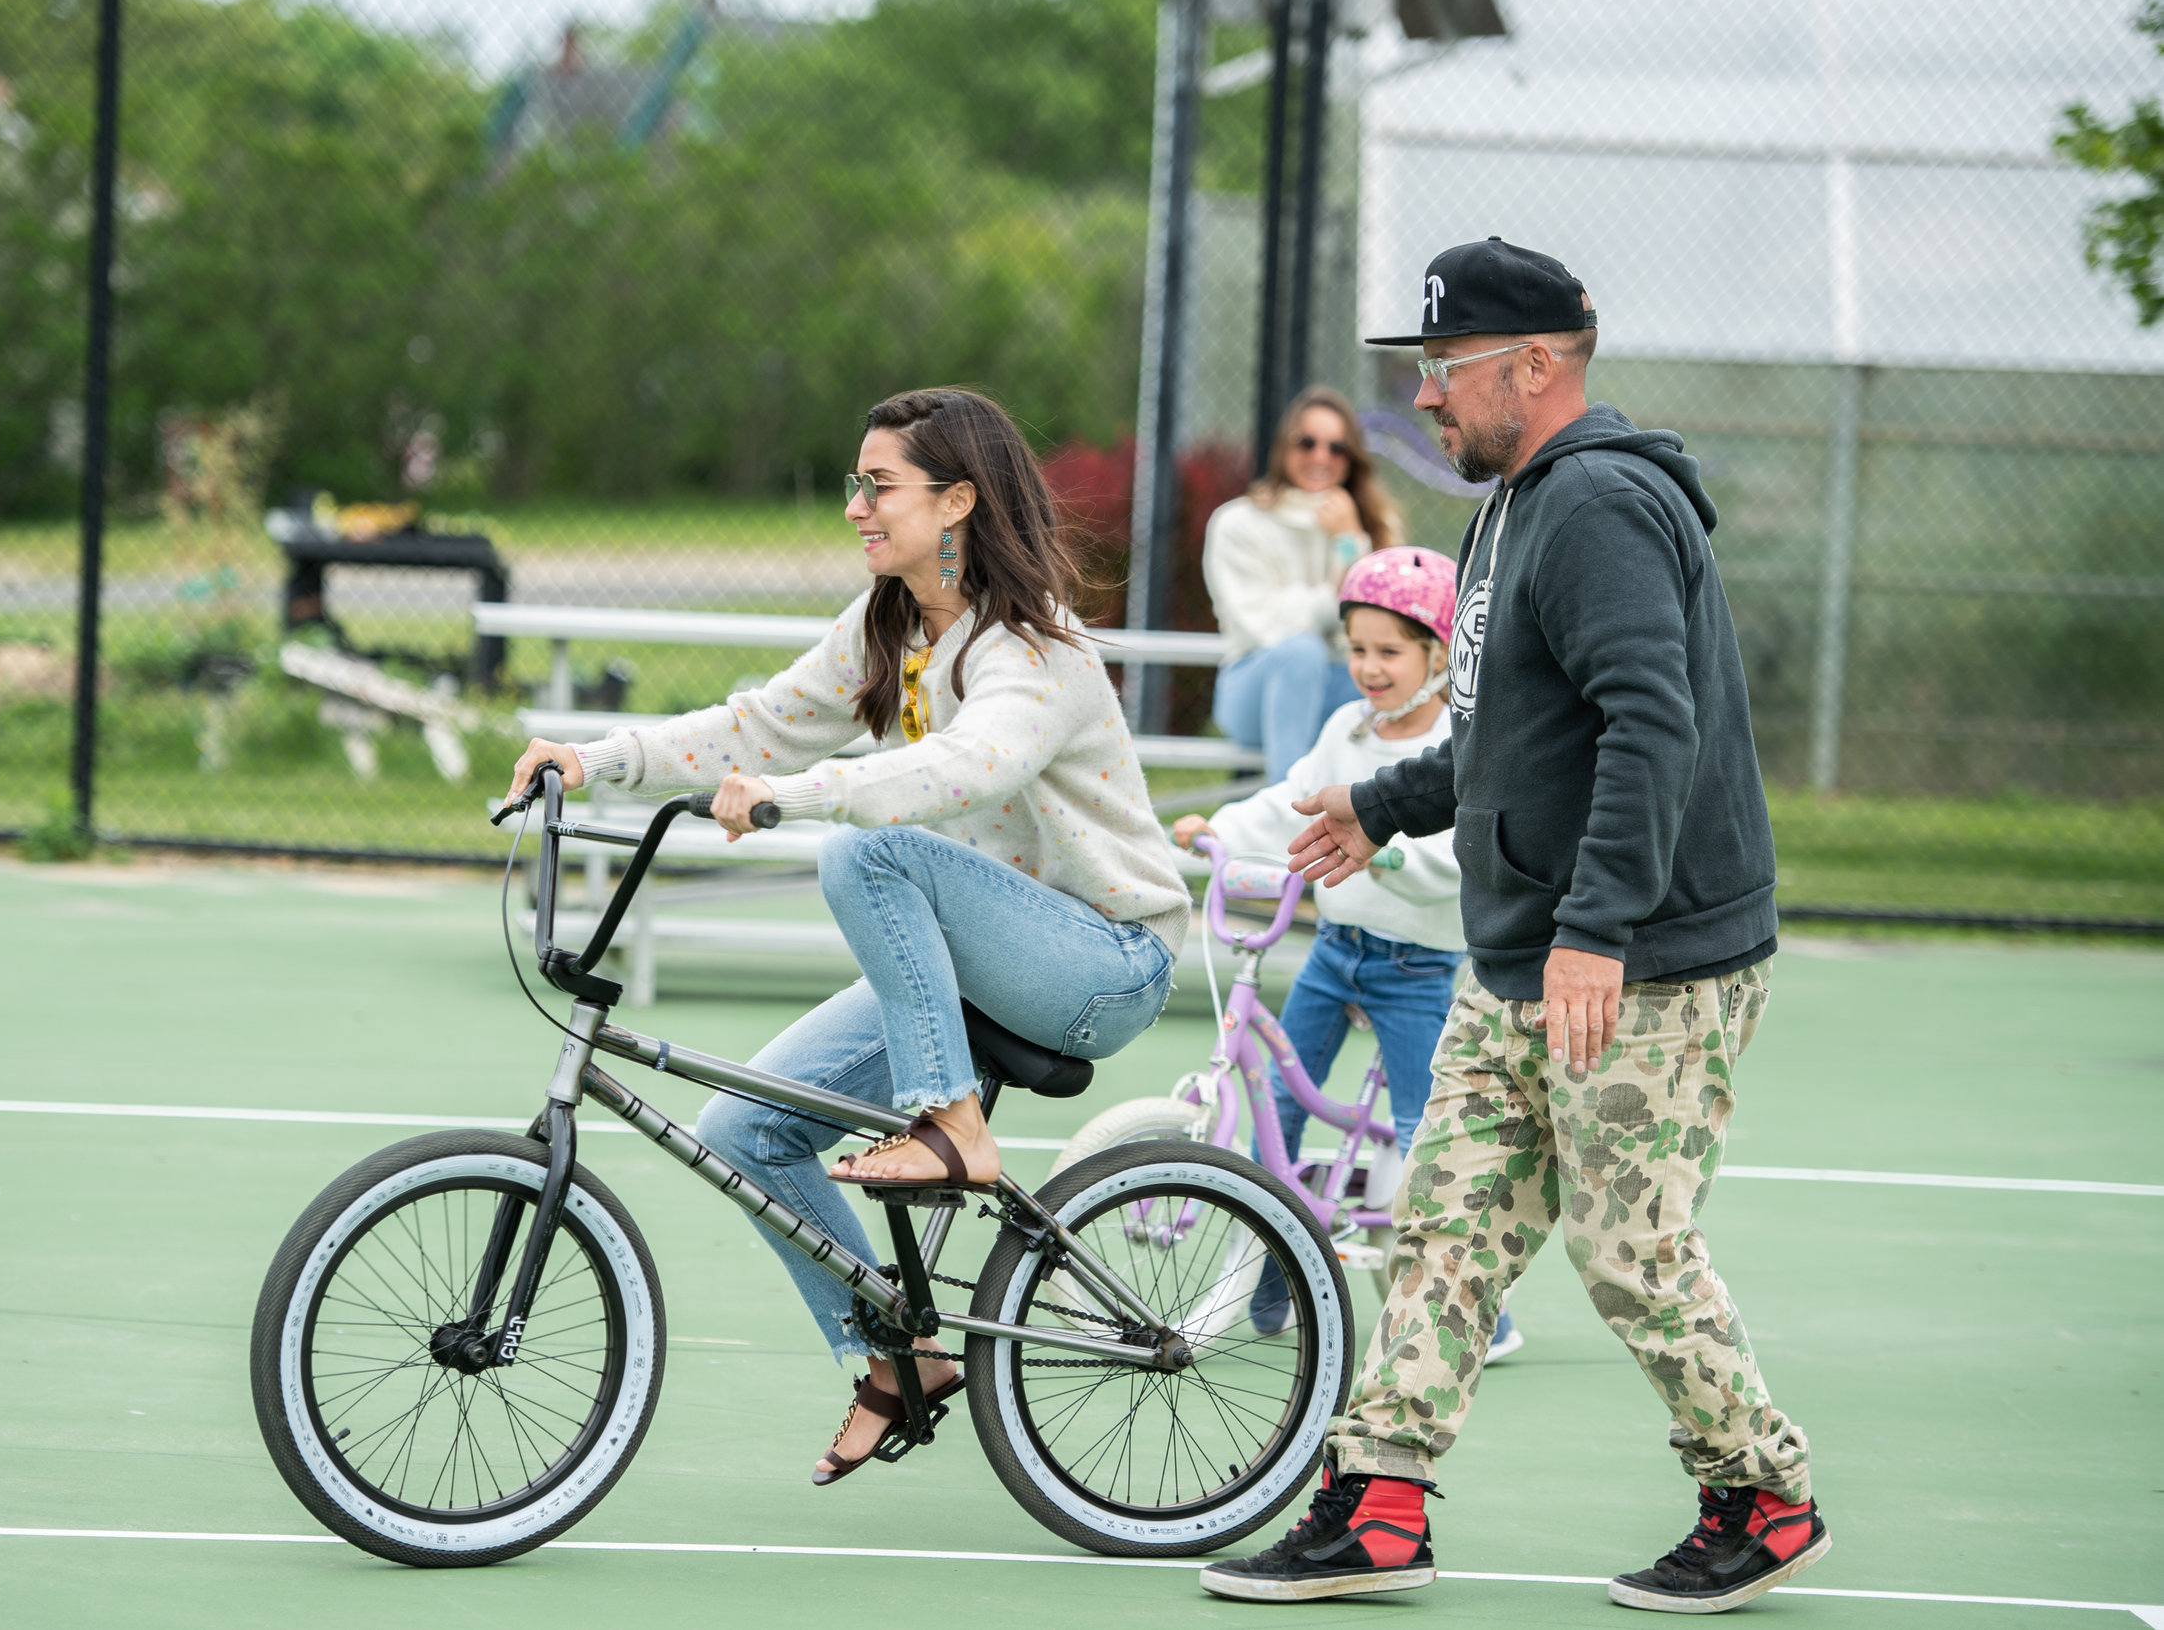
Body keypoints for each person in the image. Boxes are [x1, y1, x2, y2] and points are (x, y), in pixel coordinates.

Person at [1198, 239, 1825, 1615]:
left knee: (1627, 1244)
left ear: (1531, 367)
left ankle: (1763, 1496)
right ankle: (1376, 1504)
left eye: (1443, 370)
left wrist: (1598, 929)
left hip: (1642, 958)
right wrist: (1387, 798)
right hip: (1528, 950)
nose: (1423, 399)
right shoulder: (1516, 504)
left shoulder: (1596, 503)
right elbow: (1506, 727)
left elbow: (1648, 722)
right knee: (1445, 1220)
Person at [504, 387, 1189, 1489]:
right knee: (744, 1130)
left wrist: (801, 794)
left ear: (957, 501)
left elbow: (971, 766)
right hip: (982, 968)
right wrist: (595, 758)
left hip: (1103, 962)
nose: (855, 508)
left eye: (880, 486)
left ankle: (951, 1125)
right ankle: (897, 1354)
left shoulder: (1031, 651)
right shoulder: (888, 623)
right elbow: (752, 723)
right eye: (853, 484)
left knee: (866, 850)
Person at [1173, 546, 1517, 1360]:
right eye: (1357, 649)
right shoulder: (1345, 729)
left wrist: (1392, 852)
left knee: (1421, 1135)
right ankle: (1272, 1275)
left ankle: (1478, 1315)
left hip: (1416, 970)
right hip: (1336, 950)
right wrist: (1219, 829)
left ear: (1439, 657)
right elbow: (1293, 800)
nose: (1369, 668)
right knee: (1276, 1112)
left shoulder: (1455, 743)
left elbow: (1465, 854)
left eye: (1390, 652)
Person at [1205, 387, 1407, 781]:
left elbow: (1383, 625)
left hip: (1339, 684)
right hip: (1254, 687)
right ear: (1284, 447)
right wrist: (1334, 597)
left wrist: (1350, 542)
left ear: (1352, 459)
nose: (1320, 457)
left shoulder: (1371, 523)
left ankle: (1383, 817)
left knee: (1385, 672)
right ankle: (1290, 812)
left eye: (1337, 448)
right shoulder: (1238, 523)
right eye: (1307, 443)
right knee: (1301, 653)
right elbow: (1267, 627)